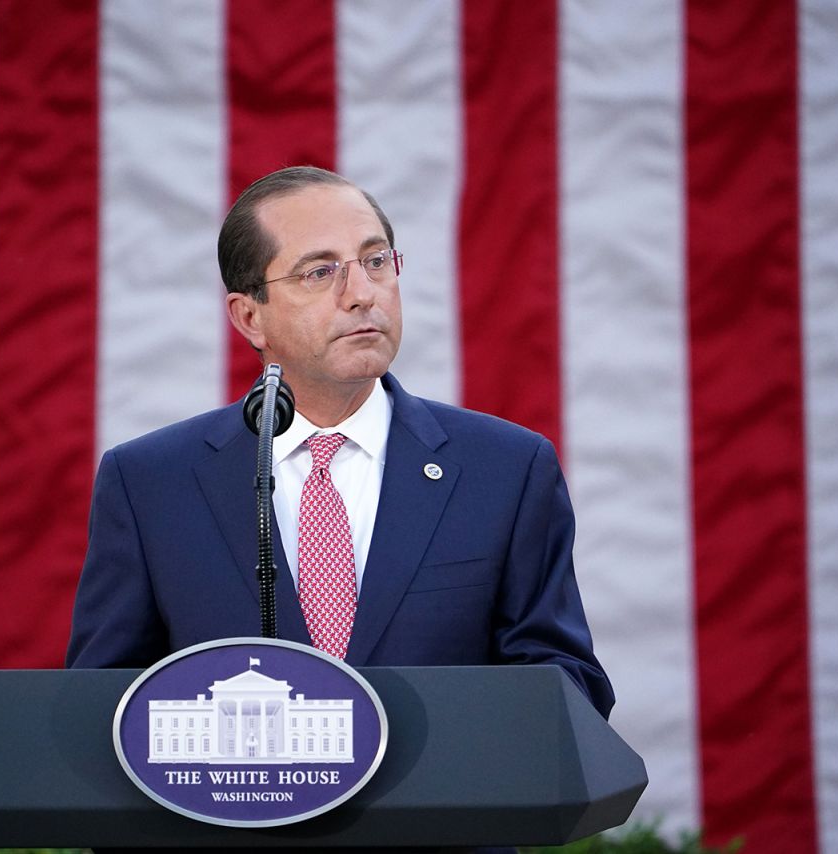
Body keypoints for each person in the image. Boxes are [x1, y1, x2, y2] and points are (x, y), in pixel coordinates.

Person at [66, 166, 613, 720]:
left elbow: (567, 689)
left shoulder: (507, 470)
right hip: (237, 805)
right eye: (319, 272)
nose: (361, 294)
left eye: (376, 261)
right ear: (250, 317)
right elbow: (101, 709)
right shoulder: (150, 485)